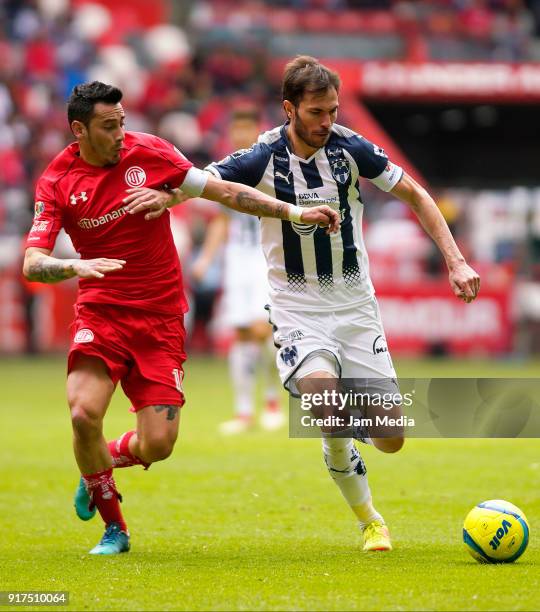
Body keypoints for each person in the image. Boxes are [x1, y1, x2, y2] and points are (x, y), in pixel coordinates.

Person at [134, 55, 481, 553]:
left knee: (390, 436)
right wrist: (168, 198)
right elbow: (205, 181)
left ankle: (333, 435)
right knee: (326, 398)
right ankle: (370, 520)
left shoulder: (351, 149)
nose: (326, 121)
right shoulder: (263, 155)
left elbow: (416, 195)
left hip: (356, 305)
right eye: (316, 111)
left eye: (333, 111)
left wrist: (455, 260)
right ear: (289, 108)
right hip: (298, 307)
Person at [22, 81, 340, 555]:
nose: (119, 134)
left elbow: (226, 193)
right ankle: (115, 527)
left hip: (160, 318)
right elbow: (32, 262)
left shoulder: (150, 155)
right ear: (79, 129)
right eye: (108, 127)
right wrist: (74, 266)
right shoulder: (58, 180)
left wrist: (293, 211)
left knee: (159, 445)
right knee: (83, 413)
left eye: (122, 123)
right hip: (102, 312)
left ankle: (99, 466)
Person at [191, 108, 285, 434]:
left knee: (263, 330)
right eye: (236, 130)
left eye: (247, 129)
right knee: (242, 333)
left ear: (257, 131)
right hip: (236, 260)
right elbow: (222, 220)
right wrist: (205, 259)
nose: (241, 136)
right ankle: (244, 412)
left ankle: (272, 402)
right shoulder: (227, 169)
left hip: (264, 257)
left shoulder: (269, 165)